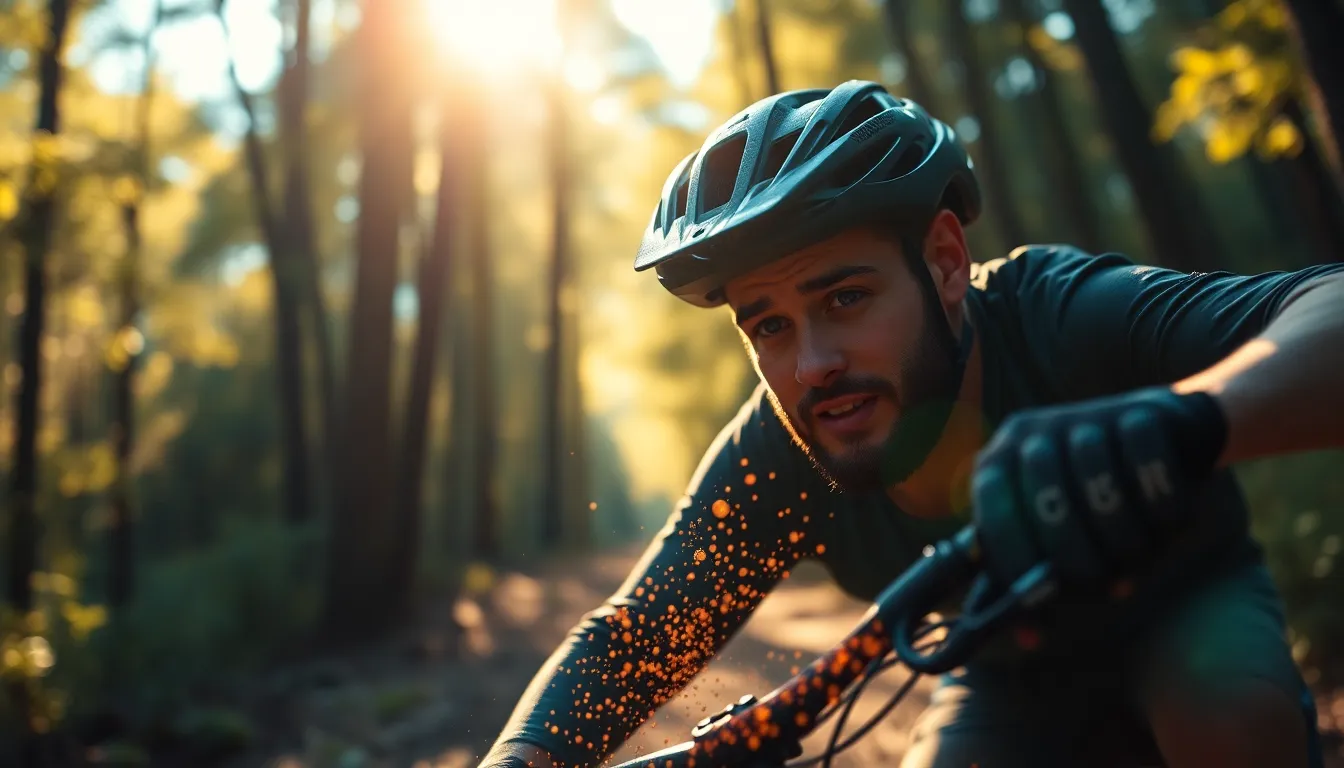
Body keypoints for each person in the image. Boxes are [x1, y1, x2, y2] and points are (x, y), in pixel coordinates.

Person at [479, 80, 1343, 768]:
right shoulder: (782, 456)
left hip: (1188, 606)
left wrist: (1183, 419)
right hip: (1009, 676)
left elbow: (1327, 306)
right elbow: (634, 636)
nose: (812, 364)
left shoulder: (1059, 315)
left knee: (1226, 715)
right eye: (769, 326)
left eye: (844, 298)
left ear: (944, 260)